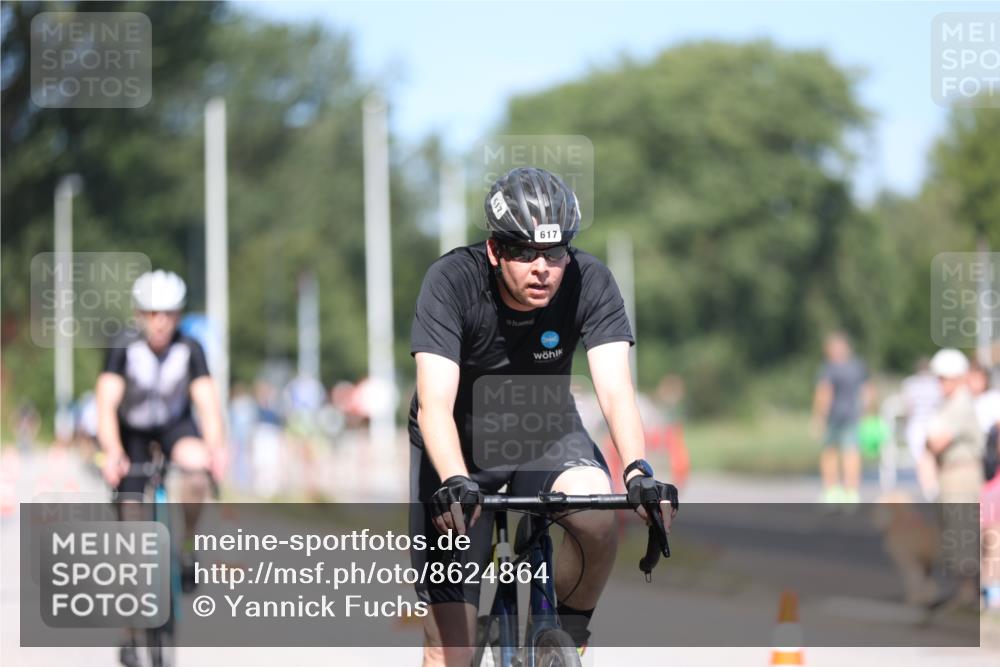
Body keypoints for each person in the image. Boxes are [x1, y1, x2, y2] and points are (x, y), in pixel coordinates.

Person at [408, 167, 677, 666]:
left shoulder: (588, 279)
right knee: (451, 652)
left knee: (597, 519)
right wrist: (454, 479)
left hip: (544, 430)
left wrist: (639, 468)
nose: (542, 268)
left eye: (555, 253)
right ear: (494, 251)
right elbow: (434, 405)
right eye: (525, 253)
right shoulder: (451, 281)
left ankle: (566, 640)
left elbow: (616, 390)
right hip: (459, 444)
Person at [95, 270, 228, 667]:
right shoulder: (123, 346)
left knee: (195, 469)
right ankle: (130, 632)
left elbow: (207, 404)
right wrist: (113, 452)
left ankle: (186, 547)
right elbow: (105, 405)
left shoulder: (190, 348)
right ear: (139, 314)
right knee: (132, 533)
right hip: (131, 431)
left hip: (173, 426)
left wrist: (216, 449)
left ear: (178, 314)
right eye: (152, 313)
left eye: (168, 313)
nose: (160, 322)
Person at [925, 348, 983, 607]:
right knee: (954, 533)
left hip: (961, 472)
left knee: (963, 532)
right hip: (950, 472)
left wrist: (929, 442)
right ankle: (965, 591)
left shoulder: (960, 402)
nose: (941, 383)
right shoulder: (949, 403)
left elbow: (936, 442)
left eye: (945, 378)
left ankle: (969, 593)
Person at [810, 332, 872, 505]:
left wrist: (818, 417)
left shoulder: (829, 368)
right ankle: (851, 492)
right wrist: (866, 413)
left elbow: (824, 393)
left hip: (834, 417)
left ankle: (832, 490)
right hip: (853, 416)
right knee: (851, 453)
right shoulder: (858, 366)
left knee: (830, 453)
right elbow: (867, 392)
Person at [901, 358, 943, 500]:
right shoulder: (936, 383)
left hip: (918, 424)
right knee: (931, 458)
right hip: (933, 422)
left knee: (921, 459)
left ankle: (929, 488)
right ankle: (933, 486)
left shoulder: (910, 384)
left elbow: (908, 408)